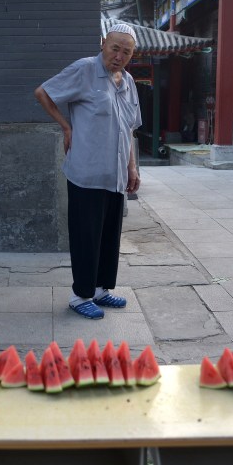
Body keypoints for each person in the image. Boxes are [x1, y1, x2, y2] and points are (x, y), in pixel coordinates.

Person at [34, 24, 142, 320]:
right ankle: (80, 295)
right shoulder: (84, 69)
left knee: (109, 234)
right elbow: (43, 92)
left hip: (116, 172)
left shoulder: (128, 81)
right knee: (86, 234)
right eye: (115, 48)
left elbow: (129, 127)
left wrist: (132, 167)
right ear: (103, 44)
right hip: (87, 169)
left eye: (126, 51)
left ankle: (100, 289)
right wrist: (66, 126)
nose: (119, 55)